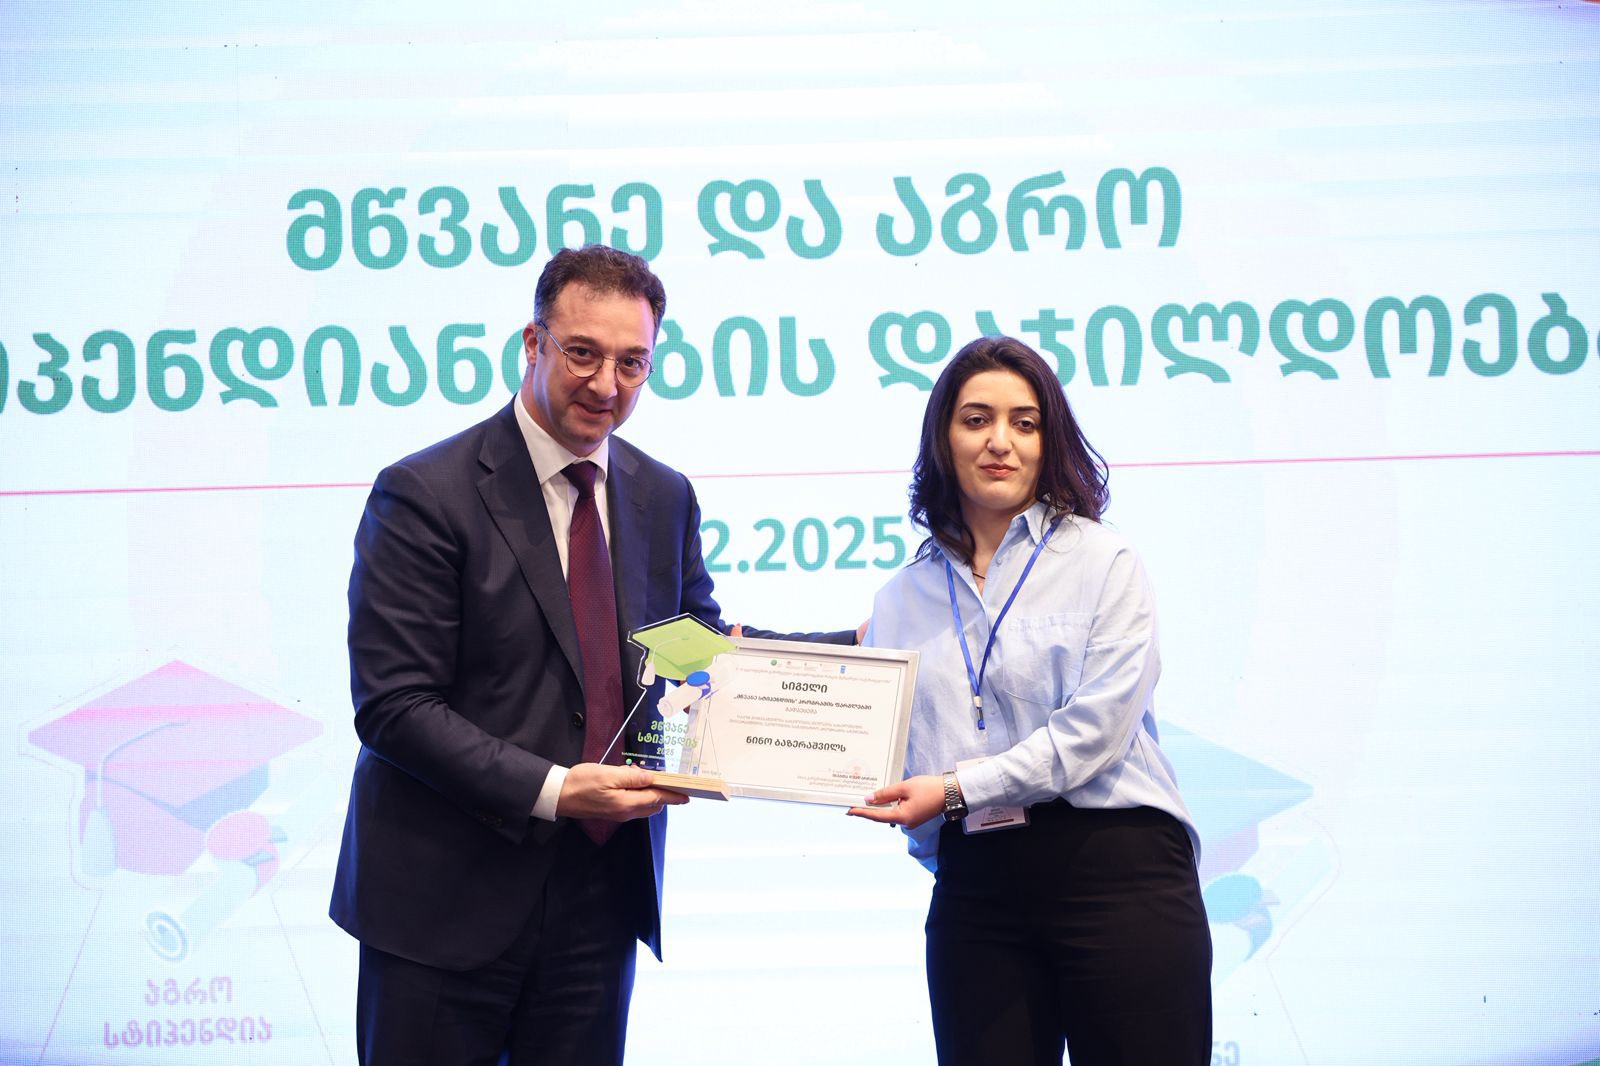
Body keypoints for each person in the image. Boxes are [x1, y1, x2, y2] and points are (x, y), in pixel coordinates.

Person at [329, 244, 850, 1066]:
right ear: (532, 344)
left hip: (600, 900)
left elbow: (695, 653)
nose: (608, 385)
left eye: (632, 362)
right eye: (583, 353)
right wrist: (556, 789)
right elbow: (395, 706)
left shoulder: (663, 494)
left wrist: (852, 661)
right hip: (444, 903)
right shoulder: (425, 493)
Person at [848, 336, 1212, 1066]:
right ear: (943, 438)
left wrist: (956, 789)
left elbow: (1093, 734)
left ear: (1050, 441)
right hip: (977, 891)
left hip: (1117, 870)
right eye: (976, 419)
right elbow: (882, 742)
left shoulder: (1102, 561)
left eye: (1025, 422)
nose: (1000, 441)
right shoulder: (900, 599)